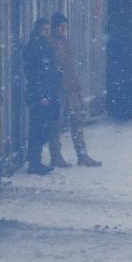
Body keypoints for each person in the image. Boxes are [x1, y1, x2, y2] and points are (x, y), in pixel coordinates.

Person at [47, 13, 102, 167]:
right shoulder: (51, 45)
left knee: (76, 122)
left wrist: (77, 87)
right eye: (61, 26)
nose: (63, 29)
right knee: (57, 124)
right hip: (58, 91)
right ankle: (56, 155)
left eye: (65, 26)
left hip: (70, 90)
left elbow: (71, 68)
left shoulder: (64, 43)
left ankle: (81, 154)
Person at [22, 18, 63, 175]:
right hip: (39, 94)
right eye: (44, 30)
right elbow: (35, 74)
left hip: (47, 92)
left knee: (43, 127)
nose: (47, 32)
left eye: (48, 29)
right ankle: (34, 161)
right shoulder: (34, 48)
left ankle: (36, 160)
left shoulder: (46, 46)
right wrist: (41, 95)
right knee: (37, 128)